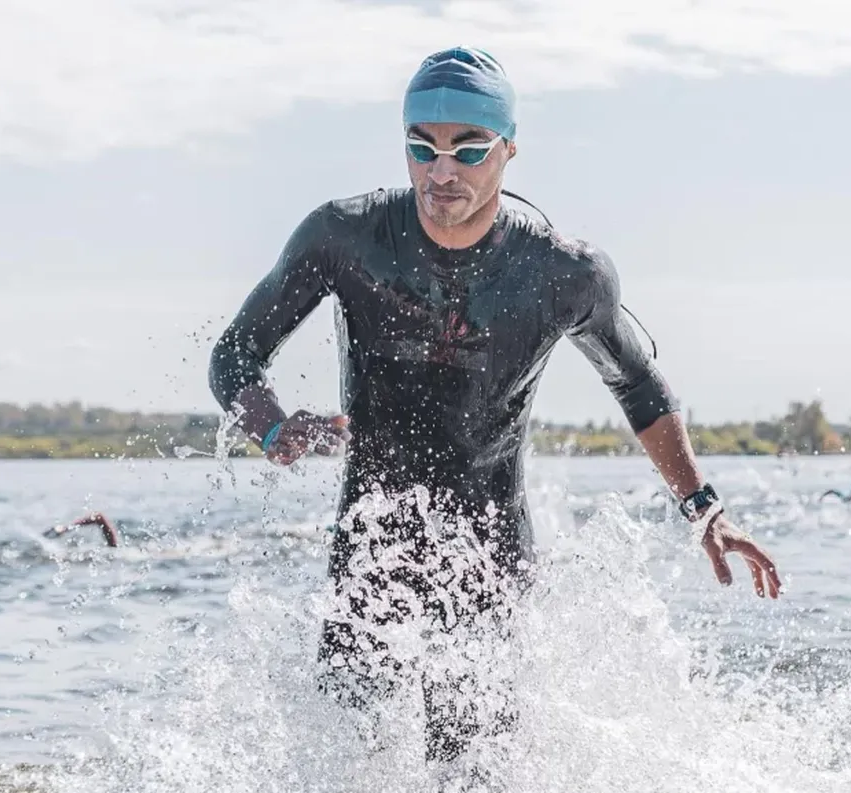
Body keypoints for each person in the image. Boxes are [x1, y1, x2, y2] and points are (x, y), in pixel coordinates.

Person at [208, 46, 782, 777]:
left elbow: (637, 383)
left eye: (467, 149)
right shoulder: (344, 239)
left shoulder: (561, 271)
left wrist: (704, 508)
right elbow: (233, 356)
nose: (441, 171)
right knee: (341, 764)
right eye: (423, 146)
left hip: (488, 549)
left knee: (472, 768)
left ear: (507, 149)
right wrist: (274, 425)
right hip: (372, 542)